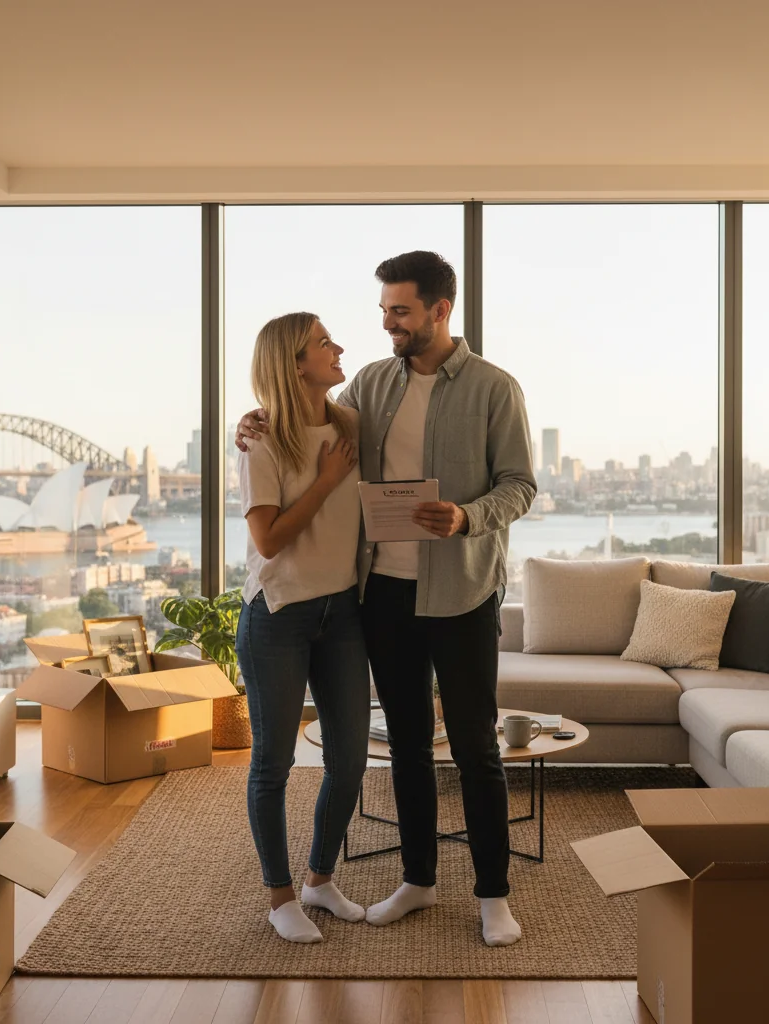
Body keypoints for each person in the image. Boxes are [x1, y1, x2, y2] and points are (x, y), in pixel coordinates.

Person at [237, 252, 537, 947]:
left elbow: (520, 484)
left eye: (399, 312)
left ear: (440, 310)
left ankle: (493, 894)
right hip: (382, 597)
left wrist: (467, 516)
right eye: (383, 313)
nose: (386, 325)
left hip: (462, 590)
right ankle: (419, 881)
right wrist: (253, 421)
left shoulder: (495, 388)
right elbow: (302, 422)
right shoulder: (370, 385)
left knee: (474, 748)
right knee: (404, 746)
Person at [234, 311, 370, 944]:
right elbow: (268, 540)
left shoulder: (350, 426)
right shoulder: (263, 442)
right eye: (324, 342)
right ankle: (279, 894)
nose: (338, 347)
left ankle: (318, 879)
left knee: (350, 760)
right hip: (279, 616)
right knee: (274, 763)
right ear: (295, 363)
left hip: (342, 612)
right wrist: (325, 482)